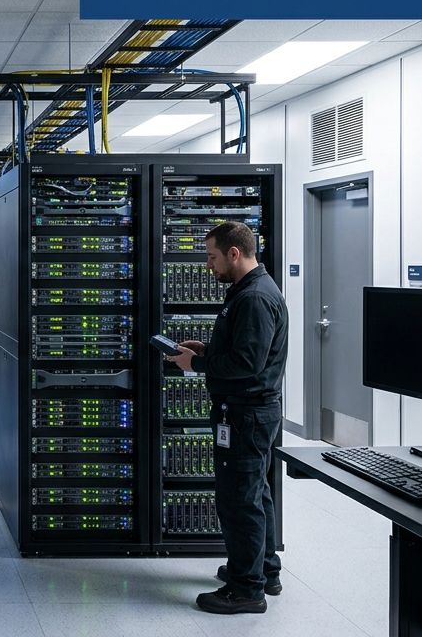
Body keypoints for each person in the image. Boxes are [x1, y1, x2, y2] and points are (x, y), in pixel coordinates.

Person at [167, 220, 287, 615]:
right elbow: (242, 350)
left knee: (240, 501)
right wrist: (208, 347)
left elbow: (248, 364)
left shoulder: (254, 298)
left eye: (212, 257)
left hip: (246, 414)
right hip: (251, 412)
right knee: (256, 494)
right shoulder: (251, 291)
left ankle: (247, 590)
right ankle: (263, 569)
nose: (208, 265)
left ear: (235, 254)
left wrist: (199, 363)